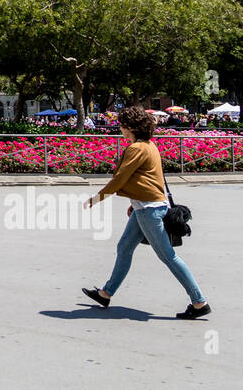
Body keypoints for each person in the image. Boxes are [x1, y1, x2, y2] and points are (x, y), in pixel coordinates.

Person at [81, 104, 210, 319]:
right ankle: (105, 293)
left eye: (121, 125)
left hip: (149, 210)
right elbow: (150, 179)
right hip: (146, 207)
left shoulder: (136, 148)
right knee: (124, 247)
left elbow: (121, 178)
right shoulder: (149, 145)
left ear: (130, 127)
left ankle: (199, 301)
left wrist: (97, 198)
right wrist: (135, 201)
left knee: (168, 256)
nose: (120, 129)